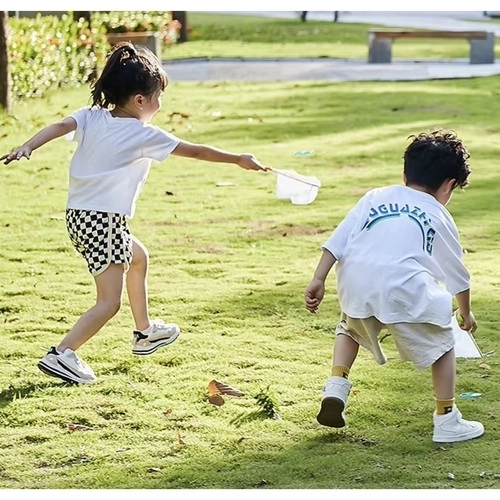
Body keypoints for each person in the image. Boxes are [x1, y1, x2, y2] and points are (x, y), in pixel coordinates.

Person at [1, 42, 268, 385]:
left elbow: (58, 126)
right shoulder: (143, 134)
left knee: (138, 258)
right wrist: (238, 158)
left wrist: (27, 146)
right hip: (105, 220)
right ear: (140, 100)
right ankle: (62, 353)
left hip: (79, 218)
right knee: (108, 303)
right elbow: (197, 152)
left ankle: (145, 332)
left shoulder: (91, 117)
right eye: (158, 96)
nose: (160, 104)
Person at [304, 130, 484, 443]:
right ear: (449, 185)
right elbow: (457, 274)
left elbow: (338, 240)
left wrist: (318, 277)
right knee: (443, 343)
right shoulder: (438, 214)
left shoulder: (374, 197)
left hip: (356, 284)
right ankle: (446, 419)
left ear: (404, 174)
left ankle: (336, 385)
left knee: (349, 328)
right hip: (404, 289)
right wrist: (465, 314)